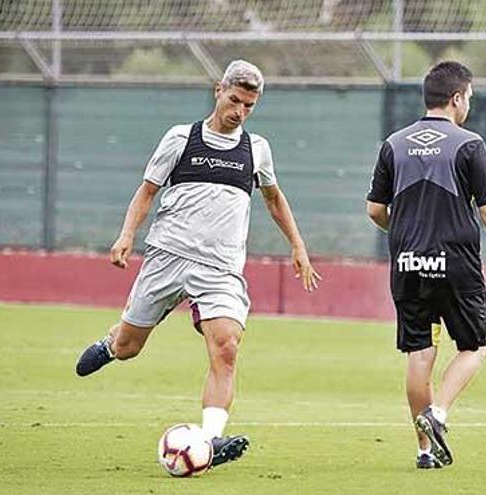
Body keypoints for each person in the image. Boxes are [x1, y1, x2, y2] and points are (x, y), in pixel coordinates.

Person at [75, 60, 321, 469]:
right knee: (130, 347)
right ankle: (112, 343)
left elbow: (274, 199)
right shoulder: (181, 139)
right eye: (235, 100)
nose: (240, 111)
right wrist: (125, 235)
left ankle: (209, 440)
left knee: (226, 347)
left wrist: (298, 246)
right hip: (167, 257)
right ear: (218, 90)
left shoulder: (256, 149)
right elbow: (147, 191)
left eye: (249, 106)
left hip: (220, 269)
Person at [365, 61, 486, 469]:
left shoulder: (394, 144)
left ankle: (423, 450)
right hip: (455, 262)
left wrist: (403, 234)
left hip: (407, 262)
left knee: (419, 354)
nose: (468, 104)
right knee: (475, 346)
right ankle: (438, 413)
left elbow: (375, 210)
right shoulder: (469, 144)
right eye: (468, 97)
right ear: (456, 98)